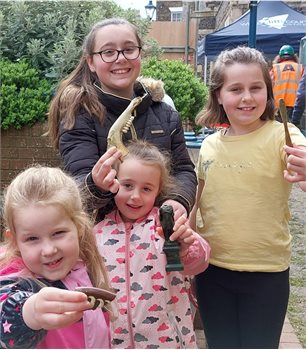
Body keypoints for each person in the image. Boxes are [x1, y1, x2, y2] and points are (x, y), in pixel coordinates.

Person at [190, 46, 306, 349]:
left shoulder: (284, 134)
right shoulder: (210, 145)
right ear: (219, 95)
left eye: (256, 88)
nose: (247, 97)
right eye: (235, 89)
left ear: (268, 92)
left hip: (267, 274)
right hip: (212, 270)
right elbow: (197, 200)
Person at [47, 18, 196, 222]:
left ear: (140, 53)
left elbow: (183, 170)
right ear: (91, 62)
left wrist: (179, 200)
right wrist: (95, 184)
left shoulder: (166, 115)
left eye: (129, 49)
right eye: (108, 52)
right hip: (102, 241)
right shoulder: (80, 116)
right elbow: (77, 185)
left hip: (159, 238)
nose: (120, 58)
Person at [94, 140, 210, 348]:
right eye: (128, 185)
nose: (135, 196)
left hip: (167, 340)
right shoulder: (98, 233)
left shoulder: (166, 225)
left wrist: (185, 249)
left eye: (146, 189)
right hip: (114, 342)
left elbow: (200, 260)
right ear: (113, 182)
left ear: (158, 191)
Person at [0, 166, 114, 348]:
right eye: (32, 238)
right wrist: (29, 312)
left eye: (58, 233)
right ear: (14, 241)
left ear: (79, 228)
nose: (48, 250)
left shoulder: (84, 267)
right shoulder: (15, 280)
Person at [270, 45, 304, 121]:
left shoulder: (275, 68)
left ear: (279, 56)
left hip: (279, 106)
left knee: (280, 130)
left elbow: (268, 85)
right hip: (296, 105)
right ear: (294, 56)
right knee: (294, 130)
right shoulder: (301, 68)